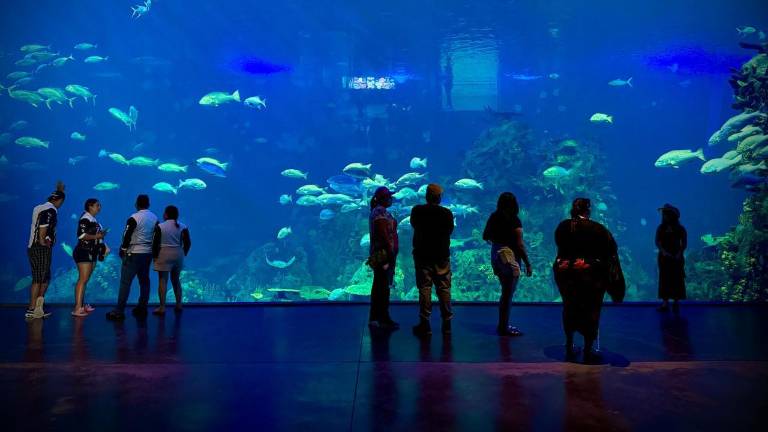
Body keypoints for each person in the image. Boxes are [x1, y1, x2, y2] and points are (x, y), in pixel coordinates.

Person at [553, 198, 621, 363]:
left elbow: (559, 244)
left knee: (569, 305)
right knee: (591, 308)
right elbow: (612, 248)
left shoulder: (562, 226)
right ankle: (588, 350)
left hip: (564, 272)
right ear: (588, 211)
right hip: (588, 274)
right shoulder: (597, 228)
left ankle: (569, 345)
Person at [482, 192, 532, 336]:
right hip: (508, 256)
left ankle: (503, 324)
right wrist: (528, 263)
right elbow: (519, 244)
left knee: (505, 292)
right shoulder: (514, 220)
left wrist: (498, 239)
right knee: (508, 293)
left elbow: (485, 236)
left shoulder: (494, 216)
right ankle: (503, 327)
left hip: (496, 254)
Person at [410, 184, 454, 336]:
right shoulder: (447, 213)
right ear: (439, 198)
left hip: (422, 255)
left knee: (425, 288)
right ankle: (447, 324)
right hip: (441, 256)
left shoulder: (417, 210)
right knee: (444, 288)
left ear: (426, 196)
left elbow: (414, 225)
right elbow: (450, 230)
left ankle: (425, 324)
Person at [106, 194, 158, 321]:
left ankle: (119, 311)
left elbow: (127, 234)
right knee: (144, 281)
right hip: (147, 253)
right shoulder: (155, 218)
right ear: (149, 204)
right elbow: (157, 236)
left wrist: (123, 249)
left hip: (133, 253)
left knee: (125, 282)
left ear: (136, 204)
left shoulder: (134, 217)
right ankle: (142, 307)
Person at [25, 181, 66, 319]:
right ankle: (32, 309)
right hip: (40, 247)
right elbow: (44, 224)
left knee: (44, 277)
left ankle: (38, 308)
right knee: (39, 278)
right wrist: (43, 241)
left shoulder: (40, 207)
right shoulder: (51, 210)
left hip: (33, 247)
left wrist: (60, 190)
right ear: (58, 201)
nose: (61, 205)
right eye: (61, 201)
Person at [367, 187, 400, 330]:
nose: (391, 199)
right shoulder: (379, 212)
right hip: (382, 255)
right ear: (382, 198)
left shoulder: (384, 212)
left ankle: (384, 317)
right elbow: (383, 234)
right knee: (380, 285)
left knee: (385, 286)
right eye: (388, 197)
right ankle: (375, 318)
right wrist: (390, 252)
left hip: (387, 254)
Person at [71, 198, 110, 317]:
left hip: (92, 253)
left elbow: (99, 238)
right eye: (97, 205)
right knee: (82, 279)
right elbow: (81, 235)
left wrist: (104, 247)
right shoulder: (85, 218)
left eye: (100, 205)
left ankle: (82, 305)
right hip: (83, 252)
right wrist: (98, 235)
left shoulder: (95, 221)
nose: (100, 207)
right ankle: (77, 308)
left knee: (85, 280)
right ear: (90, 206)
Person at [152, 205, 191, 315]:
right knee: (176, 280)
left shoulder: (160, 226)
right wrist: (184, 253)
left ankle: (162, 307)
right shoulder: (183, 226)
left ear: (166, 214)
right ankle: (179, 305)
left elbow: (155, 243)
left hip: (163, 253)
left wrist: (154, 256)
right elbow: (188, 242)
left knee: (162, 280)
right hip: (178, 254)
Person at [656, 203, 687, 312]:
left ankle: (676, 301)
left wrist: (679, 253)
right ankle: (665, 302)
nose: (664, 216)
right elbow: (657, 242)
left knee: (677, 278)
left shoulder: (680, 228)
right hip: (664, 258)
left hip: (676, 257)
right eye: (664, 214)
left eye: (666, 214)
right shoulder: (661, 228)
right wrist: (663, 252)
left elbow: (684, 243)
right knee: (664, 279)